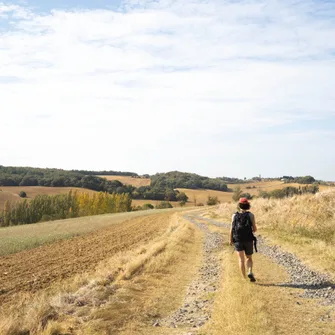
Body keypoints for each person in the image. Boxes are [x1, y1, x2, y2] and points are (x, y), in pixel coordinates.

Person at [229, 197, 257, 282]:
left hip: (238, 240)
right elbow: (255, 229)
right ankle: (250, 271)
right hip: (248, 239)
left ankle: (244, 278)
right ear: (248, 205)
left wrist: (230, 240)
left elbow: (231, 229)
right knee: (249, 258)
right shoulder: (251, 215)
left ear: (239, 205)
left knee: (241, 259)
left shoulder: (234, 215)